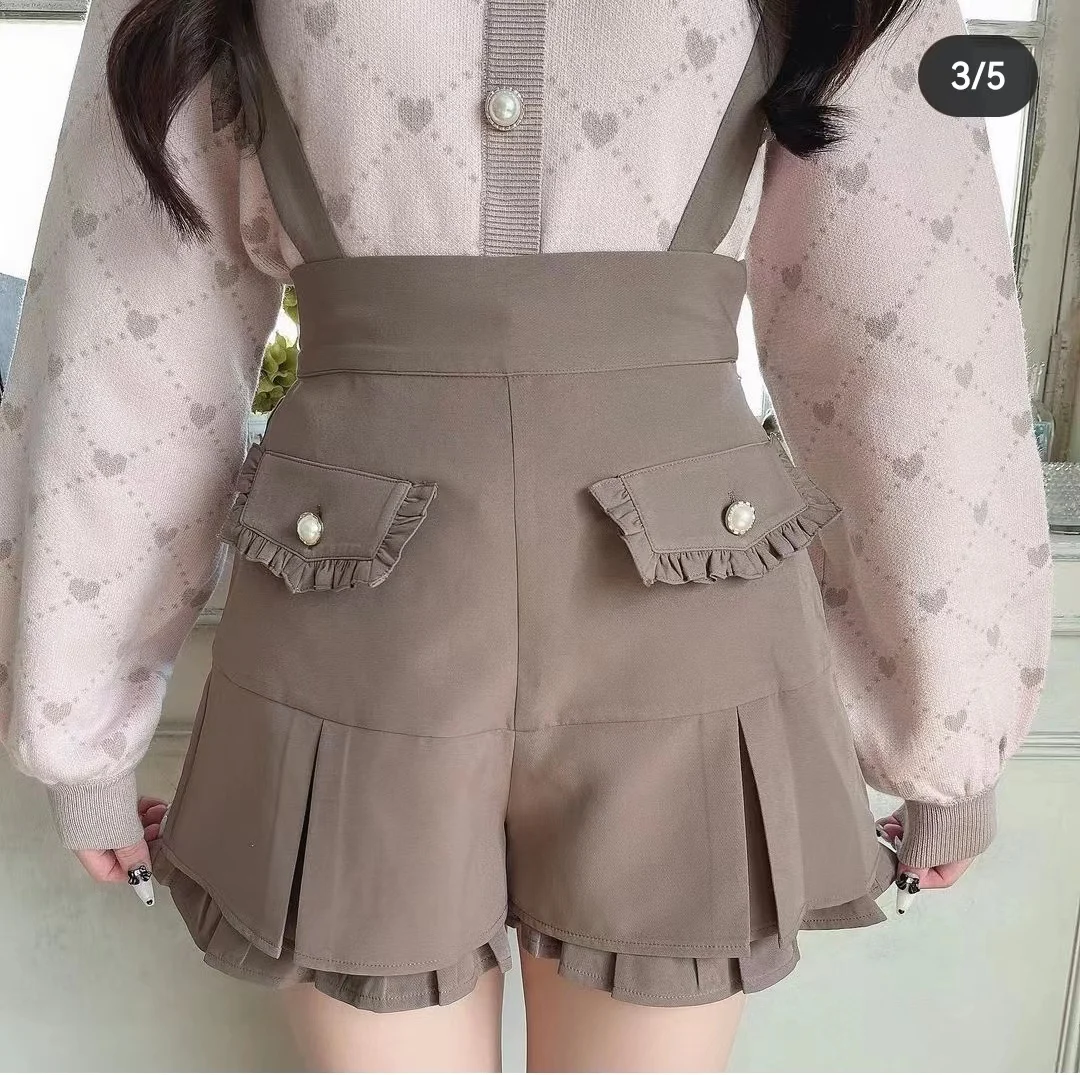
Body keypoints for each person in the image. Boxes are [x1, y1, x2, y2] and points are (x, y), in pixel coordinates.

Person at [0, 0, 1053, 1070]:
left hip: (496, 608)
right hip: (446, 620)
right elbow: (129, 317)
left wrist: (952, 729)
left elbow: (906, 320)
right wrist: (75, 718)